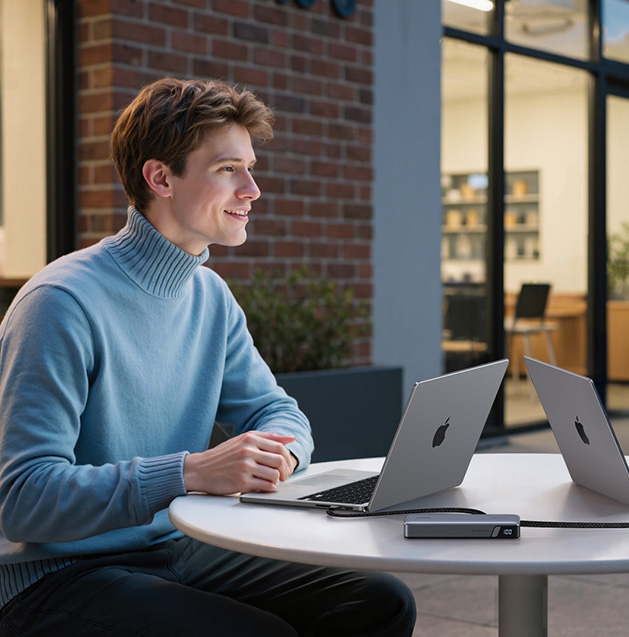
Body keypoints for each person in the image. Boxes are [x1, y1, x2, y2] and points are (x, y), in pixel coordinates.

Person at [0, 78, 416, 636]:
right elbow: (24, 499)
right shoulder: (61, 303)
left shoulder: (209, 296)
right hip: (57, 571)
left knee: (378, 600)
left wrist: (277, 457)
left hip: (177, 545)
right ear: (160, 178)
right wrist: (190, 472)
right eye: (228, 169)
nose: (253, 188)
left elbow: (281, 413)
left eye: (250, 166)